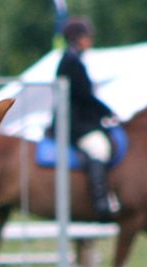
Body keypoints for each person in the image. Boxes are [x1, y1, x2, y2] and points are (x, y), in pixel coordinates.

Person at [56, 16, 120, 221]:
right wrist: (107, 112)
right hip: (75, 124)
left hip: (79, 119)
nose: (89, 40)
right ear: (76, 39)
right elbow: (84, 96)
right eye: (86, 37)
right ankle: (101, 201)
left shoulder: (73, 60)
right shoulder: (71, 62)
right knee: (98, 147)